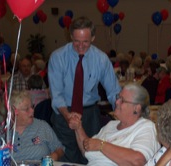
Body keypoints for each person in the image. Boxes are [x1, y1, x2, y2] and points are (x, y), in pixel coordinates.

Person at [48, 16, 121, 164]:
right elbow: (57, 95)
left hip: (90, 114)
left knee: (91, 157)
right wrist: (68, 116)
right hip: (63, 113)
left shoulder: (101, 59)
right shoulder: (58, 57)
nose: (80, 46)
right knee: (66, 157)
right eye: (76, 41)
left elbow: (113, 91)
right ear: (70, 36)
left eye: (85, 42)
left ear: (93, 38)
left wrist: (122, 114)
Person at [68, 83, 160, 165]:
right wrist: (78, 127)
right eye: (118, 97)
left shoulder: (146, 127)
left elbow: (137, 161)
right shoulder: (111, 125)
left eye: (122, 100)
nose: (116, 102)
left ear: (136, 108)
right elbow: (87, 150)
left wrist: (101, 145)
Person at [0, 91, 64, 161]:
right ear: (12, 112)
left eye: (32, 106)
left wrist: (55, 155)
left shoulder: (42, 126)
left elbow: (59, 148)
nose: (32, 111)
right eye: (26, 109)